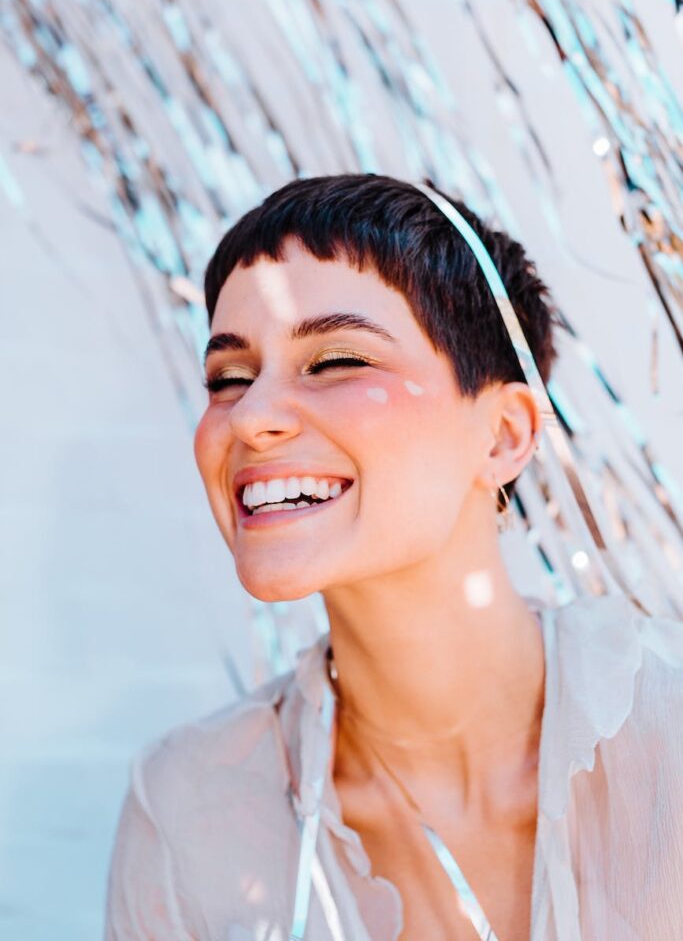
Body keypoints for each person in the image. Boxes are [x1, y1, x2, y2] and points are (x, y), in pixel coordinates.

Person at [105, 174, 683, 941]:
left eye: (336, 361)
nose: (250, 417)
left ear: (504, 435)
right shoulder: (189, 812)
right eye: (228, 377)